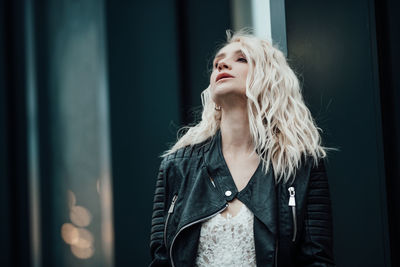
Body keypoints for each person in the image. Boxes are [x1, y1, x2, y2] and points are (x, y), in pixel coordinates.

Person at [149, 29, 335, 267]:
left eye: (241, 59)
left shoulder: (300, 165)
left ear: (268, 78)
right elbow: (161, 260)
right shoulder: (177, 165)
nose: (222, 65)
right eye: (218, 63)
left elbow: (315, 260)